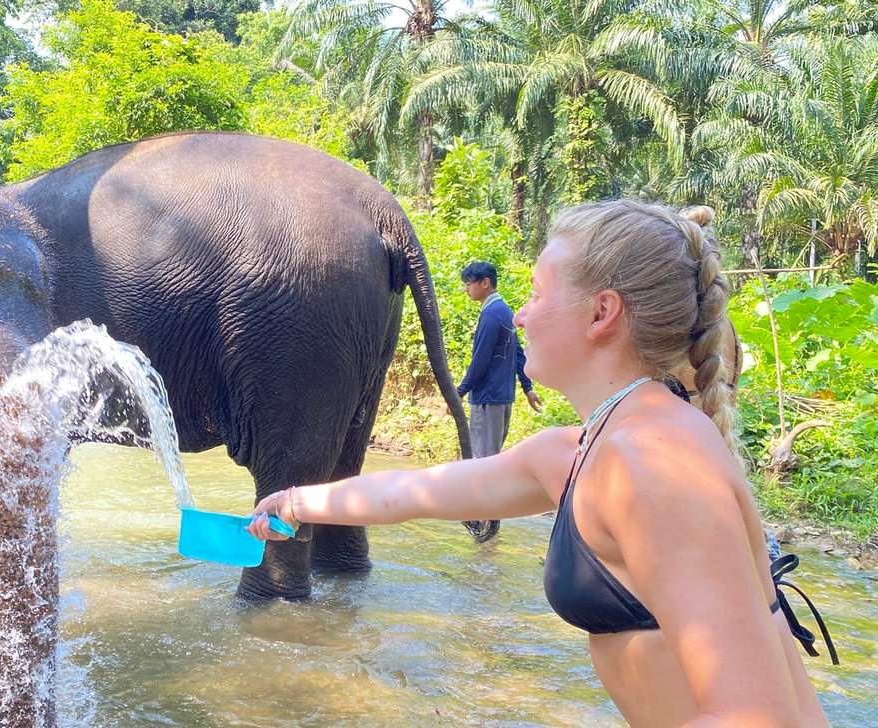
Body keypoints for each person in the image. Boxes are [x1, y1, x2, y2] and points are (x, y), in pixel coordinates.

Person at [250, 201, 833, 726]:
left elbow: (756, 717)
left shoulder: (651, 462)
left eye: (535, 292)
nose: (521, 316)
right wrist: (298, 503)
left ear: (602, 312)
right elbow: (418, 492)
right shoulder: (586, 445)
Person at [457, 261, 542, 542]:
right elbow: (518, 353)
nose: (467, 289)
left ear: (485, 283)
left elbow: (479, 361)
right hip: (503, 397)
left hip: (487, 399)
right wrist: (527, 388)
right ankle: (487, 525)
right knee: (490, 459)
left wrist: (459, 392)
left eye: (470, 283)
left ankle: (486, 527)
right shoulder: (503, 311)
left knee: (484, 462)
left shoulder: (492, 314)